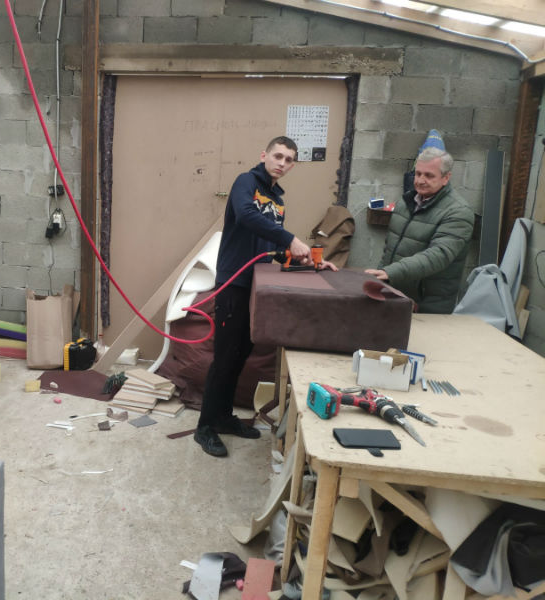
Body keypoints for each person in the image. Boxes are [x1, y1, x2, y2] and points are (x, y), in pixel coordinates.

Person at [194, 136, 338, 458]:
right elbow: (246, 215)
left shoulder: (277, 201)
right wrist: (290, 238)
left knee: (240, 355)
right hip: (234, 283)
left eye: (289, 160)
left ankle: (223, 417)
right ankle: (204, 427)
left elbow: (272, 248)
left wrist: (309, 261)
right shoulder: (246, 183)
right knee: (224, 357)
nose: (282, 163)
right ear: (264, 155)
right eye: (278, 156)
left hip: (257, 287)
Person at [365, 147, 474, 313]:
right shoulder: (405, 203)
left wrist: (391, 273)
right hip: (395, 295)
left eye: (429, 175)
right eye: (418, 174)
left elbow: (438, 255)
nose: (421, 180)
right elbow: (390, 249)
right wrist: (381, 279)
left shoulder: (458, 212)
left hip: (427, 304)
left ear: (446, 178)